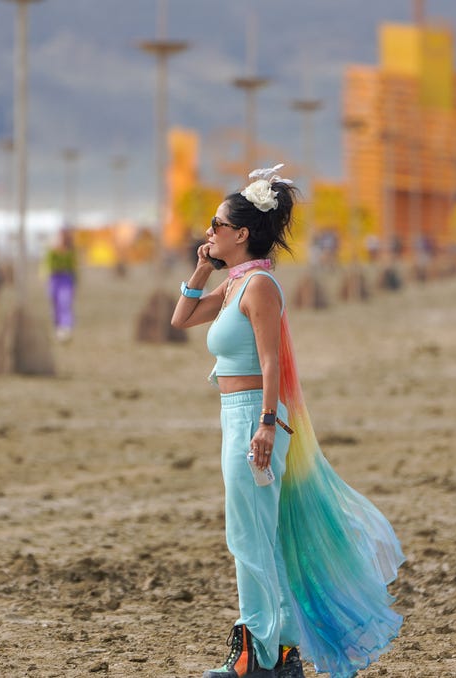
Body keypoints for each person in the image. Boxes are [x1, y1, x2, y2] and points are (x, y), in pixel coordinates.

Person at [171, 164, 404, 678]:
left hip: (255, 419)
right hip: (235, 417)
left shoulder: (259, 288)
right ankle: (279, 652)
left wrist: (266, 424)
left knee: (248, 539)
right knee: (261, 537)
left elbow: (272, 361)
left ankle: (255, 653)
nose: (208, 233)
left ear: (242, 233)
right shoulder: (235, 285)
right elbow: (181, 319)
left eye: (216, 225)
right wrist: (203, 267)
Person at [45, 228, 78, 342]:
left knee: (65, 302)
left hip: (66, 278)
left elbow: (74, 266)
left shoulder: (71, 250)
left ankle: (66, 327)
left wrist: (74, 281)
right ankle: (58, 327)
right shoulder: (52, 249)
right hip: (54, 278)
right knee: (55, 303)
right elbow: (47, 263)